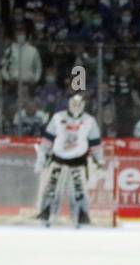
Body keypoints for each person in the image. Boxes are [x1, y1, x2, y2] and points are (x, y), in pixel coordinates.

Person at [36, 93, 105, 228]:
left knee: (79, 190)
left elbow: (95, 143)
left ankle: (81, 215)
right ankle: (46, 213)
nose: (76, 106)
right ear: (68, 103)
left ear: (84, 105)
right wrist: (42, 155)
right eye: (73, 103)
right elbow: (48, 138)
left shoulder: (89, 121)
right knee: (51, 187)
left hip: (78, 161)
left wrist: (100, 161)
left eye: (79, 104)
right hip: (58, 159)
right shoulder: (58, 117)